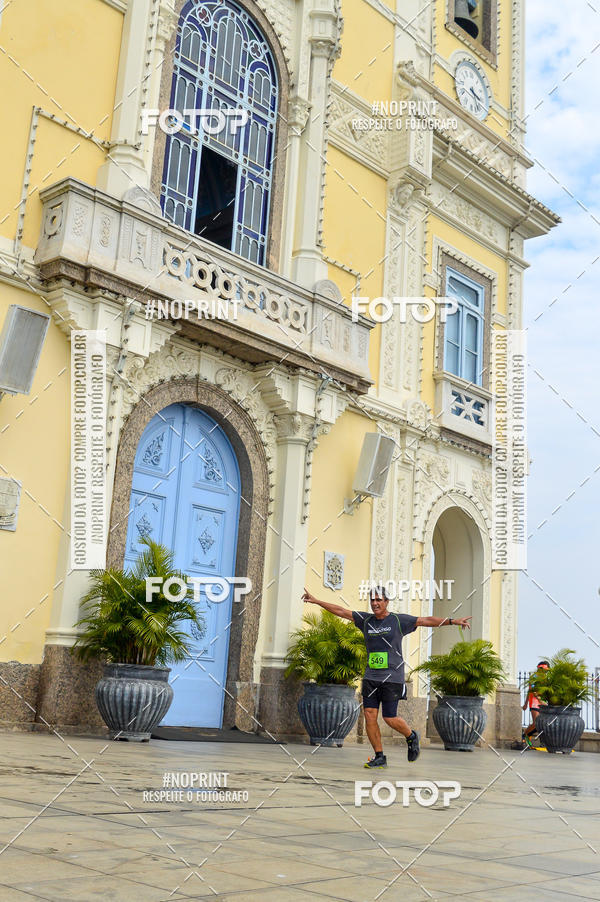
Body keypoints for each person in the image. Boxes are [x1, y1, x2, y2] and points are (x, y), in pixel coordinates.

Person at [302, 585, 472, 768]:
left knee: (389, 718)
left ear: (386, 602)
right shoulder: (365, 620)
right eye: (372, 600)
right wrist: (317, 601)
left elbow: (426, 620)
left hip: (392, 677)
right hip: (371, 676)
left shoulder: (398, 621)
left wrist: (452, 621)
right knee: (369, 715)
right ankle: (379, 756)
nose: (375, 603)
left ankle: (411, 736)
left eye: (378, 600)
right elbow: (341, 611)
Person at [522, 660, 549, 748]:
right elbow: (532, 690)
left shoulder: (545, 679)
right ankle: (525, 735)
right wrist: (526, 703)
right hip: (534, 702)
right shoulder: (534, 677)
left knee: (541, 724)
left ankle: (534, 738)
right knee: (536, 723)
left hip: (542, 703)